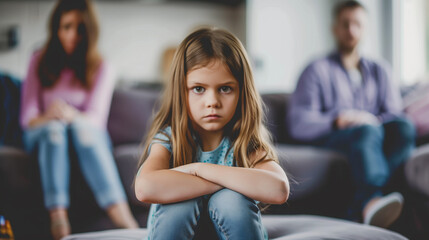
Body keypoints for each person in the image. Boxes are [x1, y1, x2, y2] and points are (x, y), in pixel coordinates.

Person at [134, 27, 290, 239]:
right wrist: (227, 180)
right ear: (182, 90)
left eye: (225, 89)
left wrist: (199, 169)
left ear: (241, 92)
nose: (212, 102)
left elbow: (279, 189)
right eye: (198, 89)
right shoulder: (170, 138)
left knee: (231, 200)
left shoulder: (243, 142)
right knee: (179, 203)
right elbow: (144, 188)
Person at [287, 0, 415, 228]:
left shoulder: (380, 70)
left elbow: (393, 114)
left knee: (404, 127)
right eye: (345, 24)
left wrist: (371, 121)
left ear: (365, 28)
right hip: (337, 137)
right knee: (365, 130)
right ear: (335, 28)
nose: (351, 30)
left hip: (372, 133)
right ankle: (371, 200)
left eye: (357, 24)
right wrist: (337, 120)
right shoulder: (316, 70)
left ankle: (363, 206)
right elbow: (299, 123)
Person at [20, 0, 138, 239]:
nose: (72, 34)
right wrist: (50, 116)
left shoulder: (102, 66)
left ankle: (126, 222)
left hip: (84, 133)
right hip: (44, 133)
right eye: (66, 26)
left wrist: (70, 115)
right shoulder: (38, 60)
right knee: (54, 131)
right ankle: (59, 220)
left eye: (80, 28)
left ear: (89, 31)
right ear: (56, 28)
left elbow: (96, 118)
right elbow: (27, 118)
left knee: (82, 129)